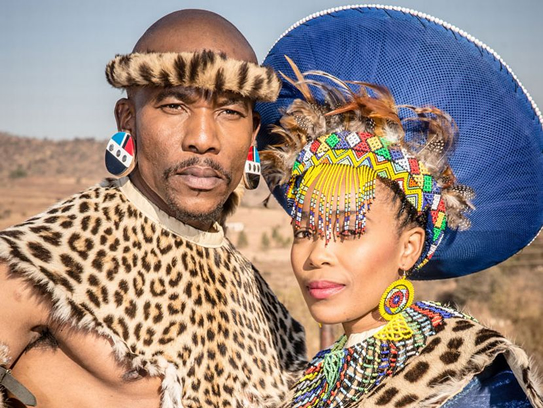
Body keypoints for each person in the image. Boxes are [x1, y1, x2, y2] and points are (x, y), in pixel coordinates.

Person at [0, 9, 306, 408]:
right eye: (175, 105)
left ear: (251, 134)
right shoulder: (40, 266)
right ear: (127, 119)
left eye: (229, 111)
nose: (202, 139)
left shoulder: (270, 315)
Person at [257, 5, 543, 407]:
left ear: (408, 247)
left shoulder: (470, 376)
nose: (317, 255)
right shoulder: (306, 384)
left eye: (350, 229)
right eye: (305, 230)